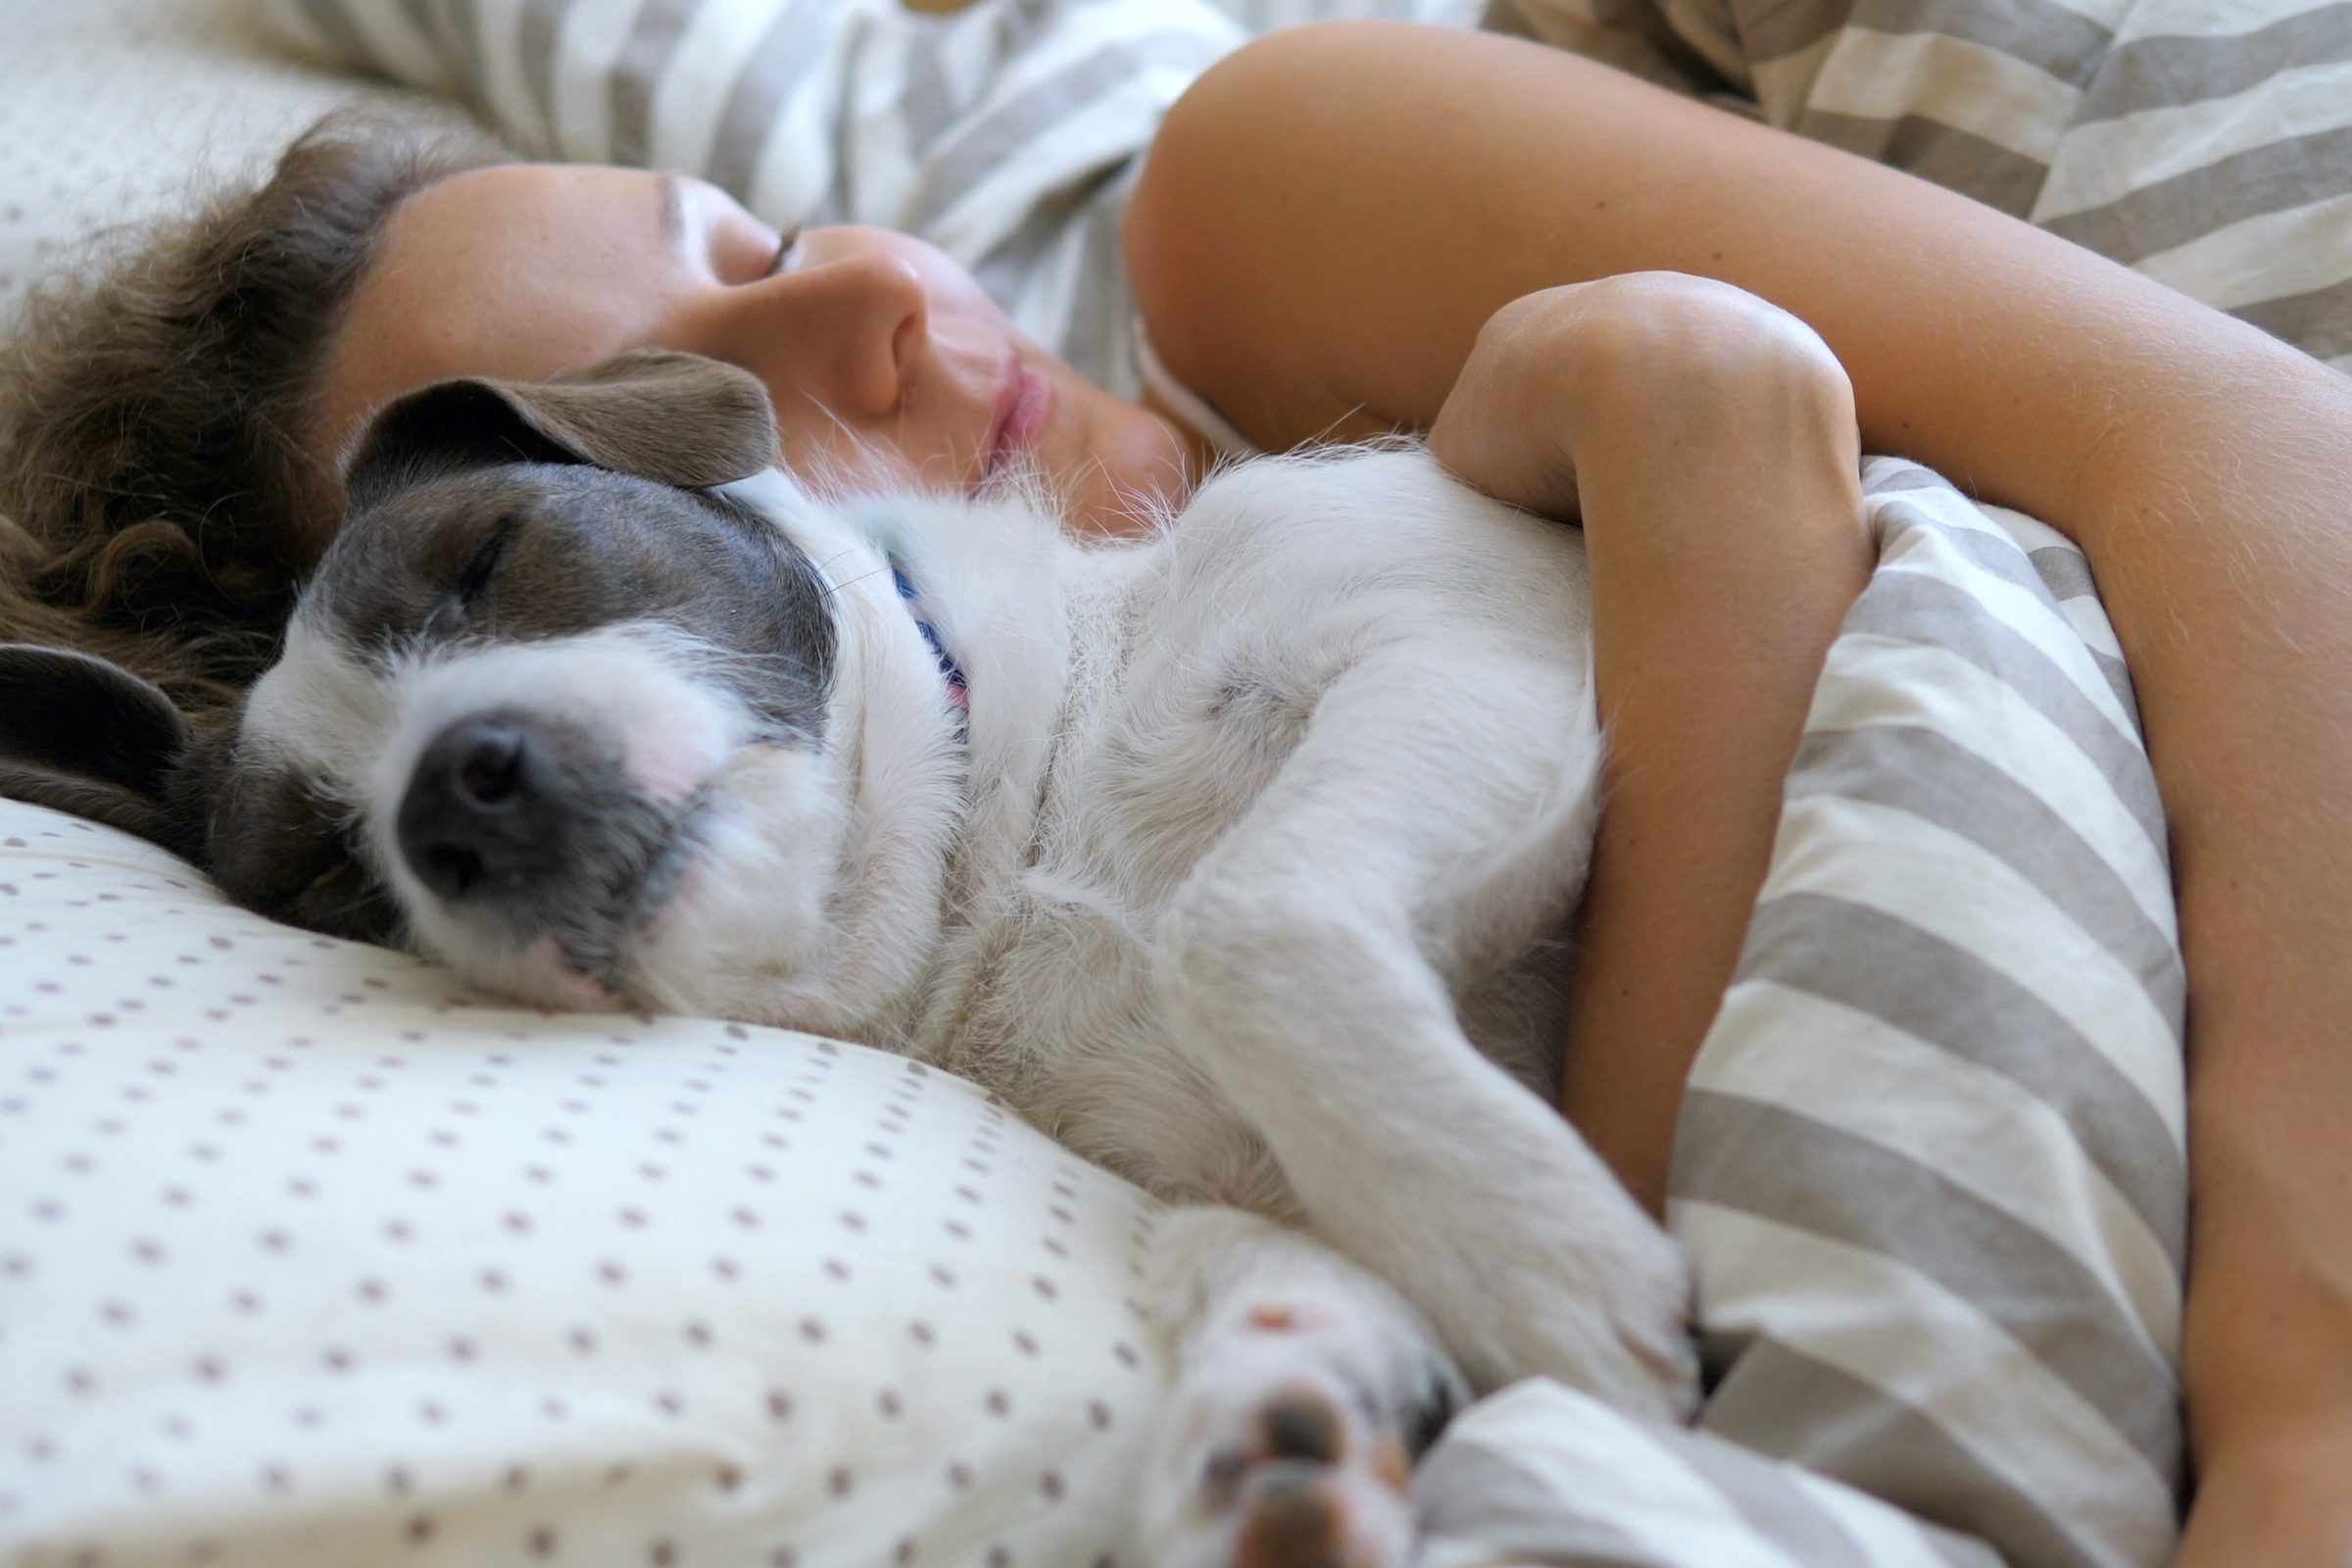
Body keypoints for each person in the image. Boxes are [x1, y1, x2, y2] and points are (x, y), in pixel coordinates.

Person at [0, 19, 2345, 1563]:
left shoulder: (1246, 197)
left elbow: (2242, 440)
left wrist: (2309, 1409)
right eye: (656, 384)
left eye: (759, 245)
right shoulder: (965, 987)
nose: (882, 317)